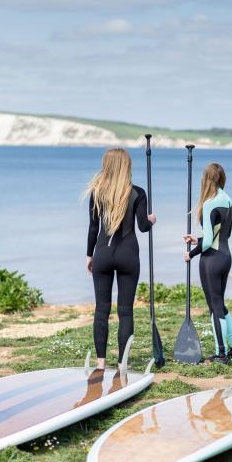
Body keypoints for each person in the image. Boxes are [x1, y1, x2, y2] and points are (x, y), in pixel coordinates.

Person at [85, 148, 156, 370]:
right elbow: (143, 227)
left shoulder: (97, 192)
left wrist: (89, 255)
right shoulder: (137, 192)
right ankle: (122, 363)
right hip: (128, 255)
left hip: (103, 254)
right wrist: (151, 219)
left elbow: (93, 227)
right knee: (125, 311)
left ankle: (100, 364)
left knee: (101, 310)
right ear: (127, 166)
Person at [184, 162, 232, 364]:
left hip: (211, 260)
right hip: (225, 256)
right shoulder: (228, 201)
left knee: (214, 307)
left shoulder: (209, 203)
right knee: (220, 304)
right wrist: (197, 240)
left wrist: (191, 253)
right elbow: (223, 234)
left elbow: (209, 241)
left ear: (206, 179)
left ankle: (221, 354)